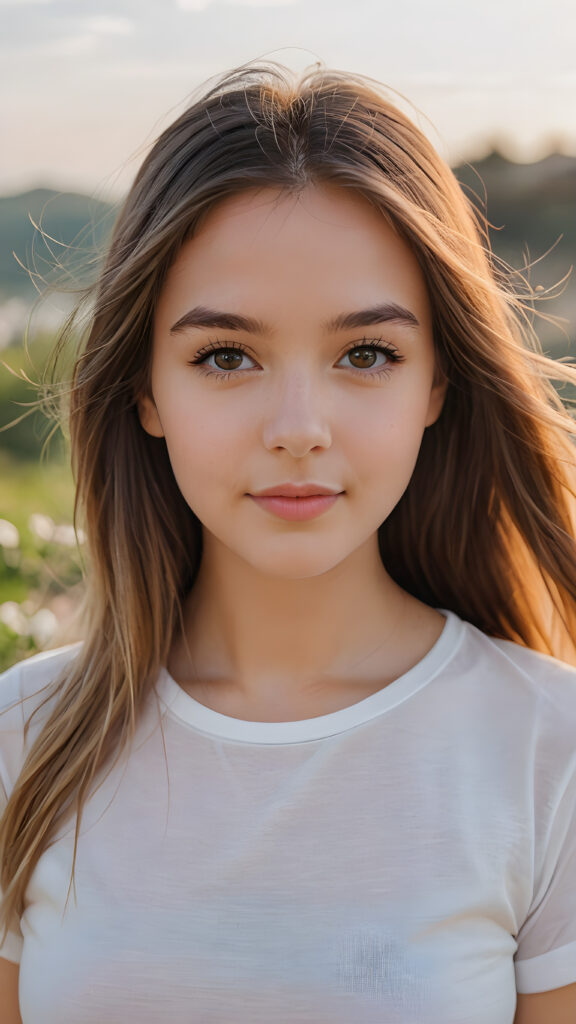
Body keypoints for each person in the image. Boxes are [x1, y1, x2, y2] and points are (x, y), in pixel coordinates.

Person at [1, 59, 576, 1024]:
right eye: (226, 356)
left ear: (437, 383)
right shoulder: (25, 738)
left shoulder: (547, 751)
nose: (299, 425)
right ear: (145, 389)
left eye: (367, 355)